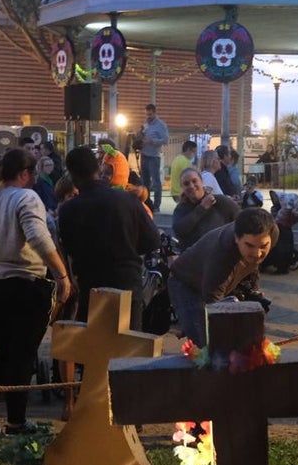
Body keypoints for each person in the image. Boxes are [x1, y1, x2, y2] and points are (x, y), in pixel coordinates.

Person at [0, 148, 72, 436]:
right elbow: (37, 236)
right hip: (26, 283)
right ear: (24, 174)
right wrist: (61, 274)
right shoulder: (27, 197)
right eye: (31, 173)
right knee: (22, 353)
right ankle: (16, 421)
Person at [58, 146, 161, 327]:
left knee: (94, 348)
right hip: (127, 282)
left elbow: (69, 249)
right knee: (127, 346)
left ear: (73, 176)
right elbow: (153, 240)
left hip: (91, 287)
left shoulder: (68, 210)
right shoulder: (128, 200)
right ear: (98, 169)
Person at [167, 208, 278, 347]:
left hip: (215, 281)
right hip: (186, 284)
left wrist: (253, 290)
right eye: (250, 245)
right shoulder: (220, 256)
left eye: (263, 246)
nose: (257, 253)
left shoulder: (273, 232)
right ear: (237, 238)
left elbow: (253, 264)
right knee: (209, 345)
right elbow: (214, 307)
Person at [173, 168, 239, 251]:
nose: (191, 186)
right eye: (186, 184)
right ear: (182, 187)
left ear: (201, 181)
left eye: (194, 181)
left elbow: (241, 220)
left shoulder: (221, 202)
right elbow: (179, 230)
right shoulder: (181, 209)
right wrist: (202, 208)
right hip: (193, 258)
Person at [137, 103, 169, 212]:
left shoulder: (161, 125)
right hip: (144, 155)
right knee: (144, 182)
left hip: (153, 157)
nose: (148, 116)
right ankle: (146, 203)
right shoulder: (146, 124)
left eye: (150, 114)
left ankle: (156, 206)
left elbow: (165, 140)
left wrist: (152, 141)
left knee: (155, 183)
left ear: (155, 113)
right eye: (146, 114)